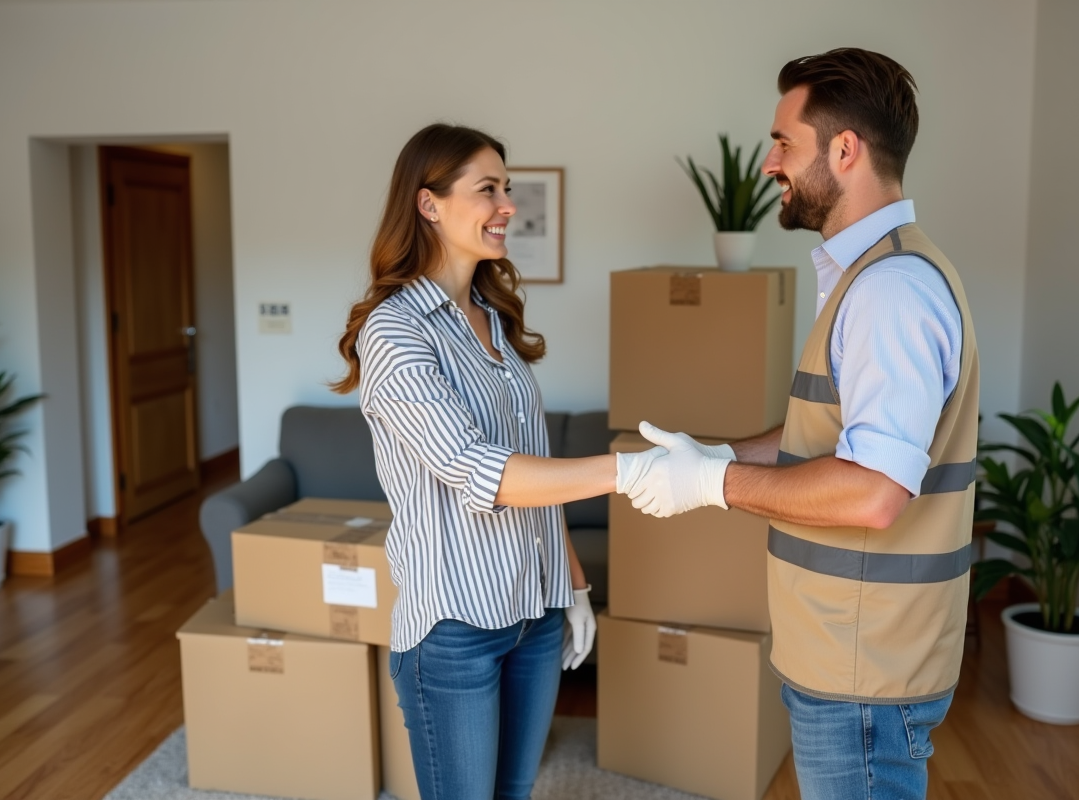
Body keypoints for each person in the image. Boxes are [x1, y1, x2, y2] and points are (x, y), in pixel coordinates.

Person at [625, 48, 980, 800]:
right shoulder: (872, 277)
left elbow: (874, 492)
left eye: (783, 142)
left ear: (844, 150)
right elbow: (830, 443)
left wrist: (715, 484)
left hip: (867, 672)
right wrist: (718, 452)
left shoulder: (890, 292)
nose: (766, 164)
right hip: (848, 658)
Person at [331, 123, 660, 800]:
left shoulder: (491, 317)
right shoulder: (395, 333)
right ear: (429, 204)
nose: (508, 205)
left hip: (533, 615)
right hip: (455, 629)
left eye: (506, 189)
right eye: (489, 190)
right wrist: (627, 469)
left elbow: (534, 461)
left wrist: (570, 585)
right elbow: (476, 467)